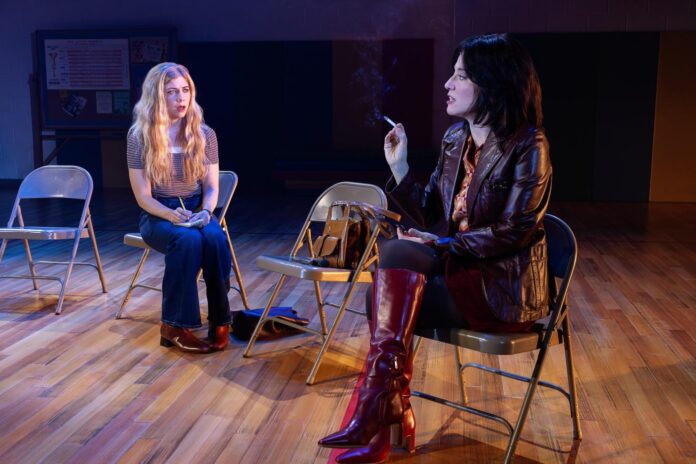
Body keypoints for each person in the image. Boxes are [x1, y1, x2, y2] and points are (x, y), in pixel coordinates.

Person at [319, 33, 552, 463]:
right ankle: (384, 412)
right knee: (386, 277)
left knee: (386, 279)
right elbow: (430, 212)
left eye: (460, 75)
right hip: (455, 267)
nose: (448, 83)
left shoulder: (528, 145)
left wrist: (443, 243)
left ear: (492, 83)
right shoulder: (454, 139)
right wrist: (400, 167)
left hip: (498, 287)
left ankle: (382, 420)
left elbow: (515, 231)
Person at [127, 62, 232, 354]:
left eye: (185, 90)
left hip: (197, 209)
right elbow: (143, 197)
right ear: (157, 96)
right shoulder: (139, 137)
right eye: (172, 92)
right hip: (157, 214)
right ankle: (174, 325)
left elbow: (212, 188)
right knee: (186, 240)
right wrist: (170, 214)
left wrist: (207, 212)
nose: (181, 98)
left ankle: (220, 319)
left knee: (215, 237)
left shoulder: (204, 134)